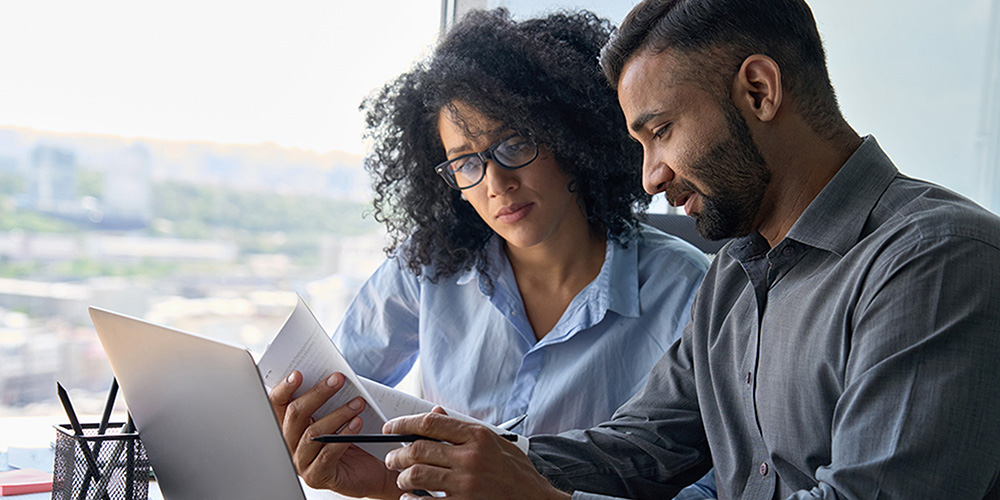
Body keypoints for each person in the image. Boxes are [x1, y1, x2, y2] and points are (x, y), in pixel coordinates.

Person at [273, 0, 1000, 498]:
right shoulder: (738, 277)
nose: (650, 176)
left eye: (660, 132)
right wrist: (423, 470)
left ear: (758, 89)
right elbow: (636, 449)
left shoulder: (937, 260)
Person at [272, 7, 716, 500]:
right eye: (465, 162)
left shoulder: (688, 291)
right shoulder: (428, 268)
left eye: (515, 144)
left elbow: (714, 488)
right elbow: (338, 392)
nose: (497, 183)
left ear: (571, 138)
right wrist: (314, 441)